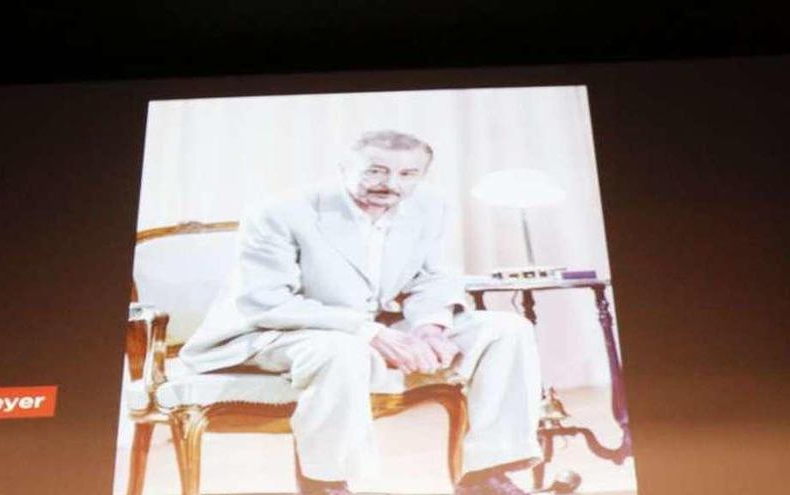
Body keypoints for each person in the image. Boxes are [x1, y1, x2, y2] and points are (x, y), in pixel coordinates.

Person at [180, 130, 542, 495]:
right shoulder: (279, 212)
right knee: (341, 350)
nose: (390, 185)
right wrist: (370, 333)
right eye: (375, 171)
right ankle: (327, 486)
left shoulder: (432, 206)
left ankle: (486, 476)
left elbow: (435, 278)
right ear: (344, 168)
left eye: (407, 174)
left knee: (506, 329)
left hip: (367, 326)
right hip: (269, 331)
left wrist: (430, 328)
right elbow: (267, 302)